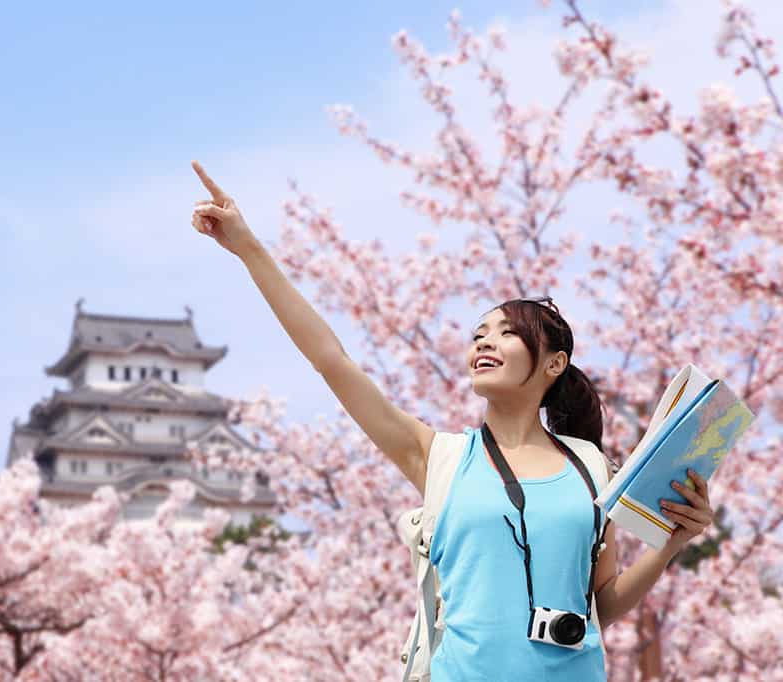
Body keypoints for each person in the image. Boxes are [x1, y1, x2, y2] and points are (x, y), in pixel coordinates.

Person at [189, 159, 715, 680]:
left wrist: (672, 543)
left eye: (508, 332)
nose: (484, 341)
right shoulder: (438, 456)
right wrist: (248, 248)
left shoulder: (590, 467)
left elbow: (601, 602)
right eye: (479, 333)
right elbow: (331, 358)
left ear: (554, 363)